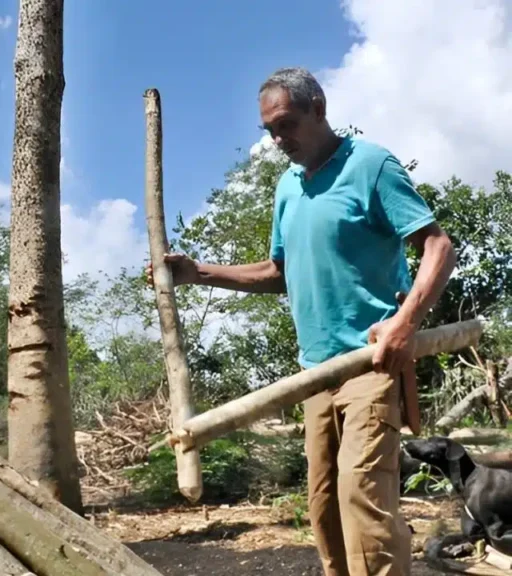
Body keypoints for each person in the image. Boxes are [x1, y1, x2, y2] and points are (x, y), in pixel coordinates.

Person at [148, 67, 456, 576]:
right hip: (314, 373)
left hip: (371, 362)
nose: (277, 139)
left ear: (319, 109)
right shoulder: (288, 188)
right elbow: (279, 272)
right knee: (324, 506)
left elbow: (438, 246)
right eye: (269, 129)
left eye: (286, 124)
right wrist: (196, 273)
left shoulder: (370, 165)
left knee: (362, 497)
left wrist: (404, 323)